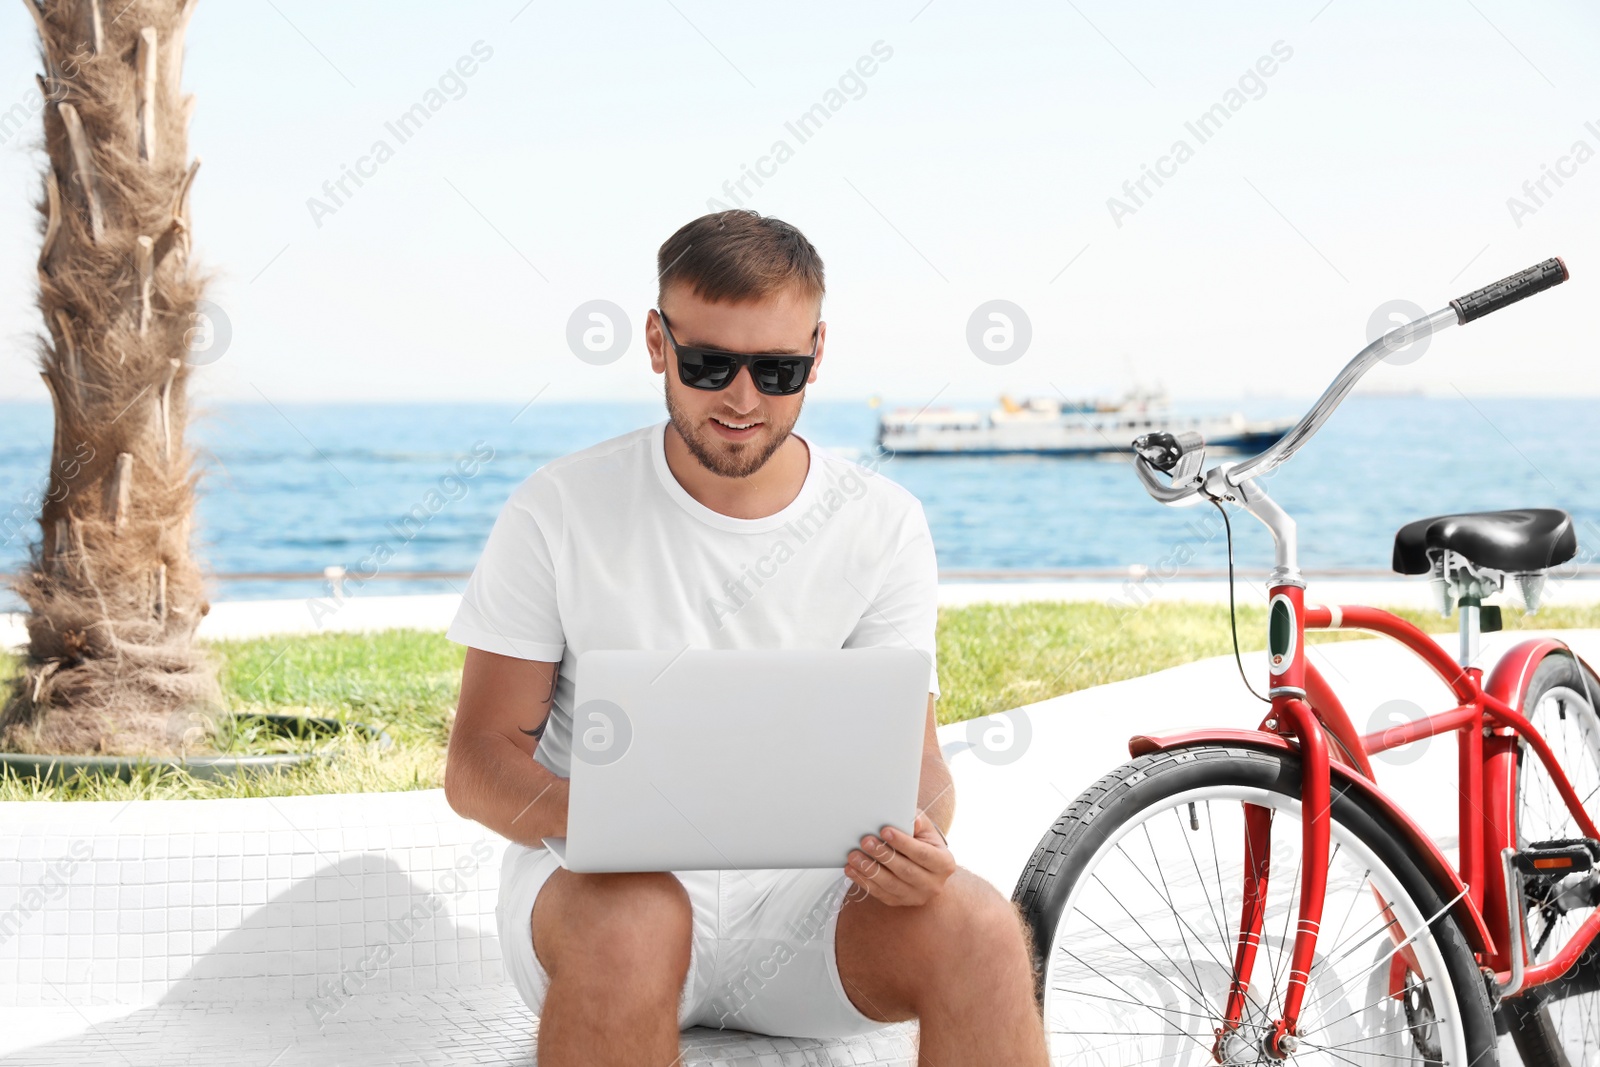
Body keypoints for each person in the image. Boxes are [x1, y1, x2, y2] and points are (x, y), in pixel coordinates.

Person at [442, 209, 1048, 1065]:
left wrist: (920, 836)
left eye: (777, 369)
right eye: (709, 364)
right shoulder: (560, 509)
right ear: (656, 342)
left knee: (981, 926)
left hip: (808, 909)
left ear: (818, 353)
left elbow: (918, 763)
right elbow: (475, 763)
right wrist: (615, 827)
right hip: (604, 893)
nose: (741, 398)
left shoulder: (880, 523)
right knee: (637, 916)